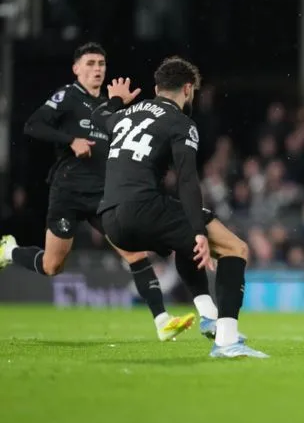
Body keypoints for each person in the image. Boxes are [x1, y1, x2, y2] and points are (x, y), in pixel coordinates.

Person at [0, 43, 196, 342]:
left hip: (103, 195)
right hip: (67, 190)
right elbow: (33, 125)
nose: (97, 69)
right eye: (90, 63)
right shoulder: (67, 96)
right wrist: (70, 140)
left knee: (134, 253)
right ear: (76, 68)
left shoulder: (109, 105)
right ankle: (9, 251)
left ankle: (162, 321)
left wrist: (122, 107)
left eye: (102, 64)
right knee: (52, 265)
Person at [93, 57, 265, 358]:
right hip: (142, 208)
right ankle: (226, 341)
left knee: (184, 243)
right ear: (188, 89)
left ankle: (208, 312)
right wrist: (198, 231)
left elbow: (99, 119)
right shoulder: (180, 123)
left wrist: (117, 101)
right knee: (235, 248)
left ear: (157, 88)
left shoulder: (125, 115)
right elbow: (187, 179)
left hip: (110, 219)